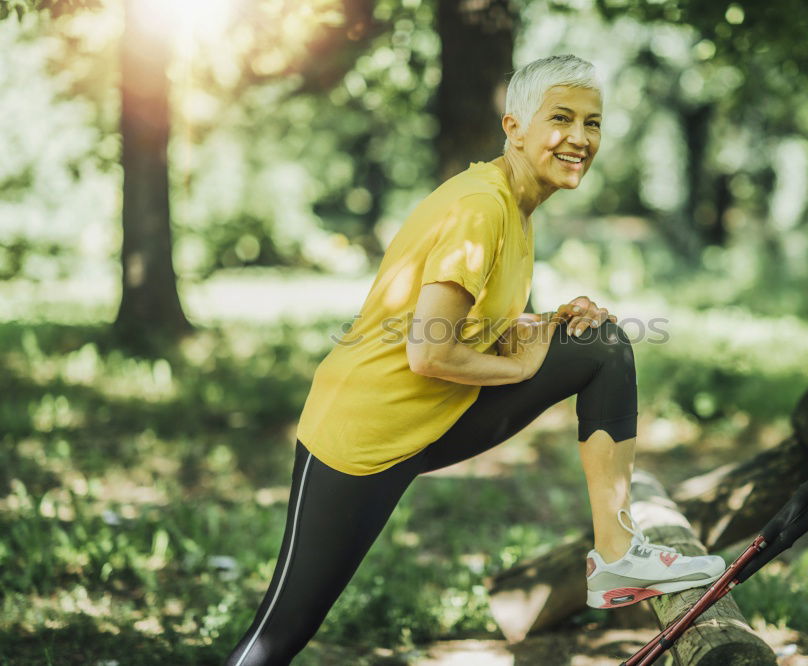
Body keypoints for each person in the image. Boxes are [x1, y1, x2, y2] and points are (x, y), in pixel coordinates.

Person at [225, 54, 724, 666]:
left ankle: (618, 553)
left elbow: (473, 325)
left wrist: (548, 325)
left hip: (432, 417)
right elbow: (429, 349)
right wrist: (520, 366)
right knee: (282, 632)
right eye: (561, 118)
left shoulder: (515, 205)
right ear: (514, 127)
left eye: (592, 123)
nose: (579, 138)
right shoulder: (482, 207)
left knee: (602, 346)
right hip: (360, 437)